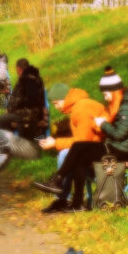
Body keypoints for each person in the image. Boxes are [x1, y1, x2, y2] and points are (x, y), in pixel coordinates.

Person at [32, 69, 128, 200]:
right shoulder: (122, 105)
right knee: (78, 149)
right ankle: (62, 187)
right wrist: (101, 125)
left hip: (122, 150)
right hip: (116, 146)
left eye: (106, 94)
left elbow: (119, 134)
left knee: (77, 150)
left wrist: (102, 124)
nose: (105, 97)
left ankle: (60, 186)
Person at [36, 83, 107, 214]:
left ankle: (61, 195)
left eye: (57, 103)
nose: (56, 107)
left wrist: (55, 143)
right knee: (66, 153)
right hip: (94, 148)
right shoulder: (78, 106)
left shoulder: (82, 109)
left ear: (66, 99)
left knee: (65, 154)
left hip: (103, 151)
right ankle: (62, 197)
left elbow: (83, 141)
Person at [0, 58, 48, 140]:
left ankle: (9, 144)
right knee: (5, 118)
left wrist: (11, 108)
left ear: (19, 69)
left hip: (27, 114)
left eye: (17, 71)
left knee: (2, 120)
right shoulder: (36, 78)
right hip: (33, 112)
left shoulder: (27, 80)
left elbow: (26, 99)